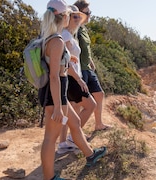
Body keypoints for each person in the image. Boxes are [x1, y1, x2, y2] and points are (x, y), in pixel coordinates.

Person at [39, 0, 106, 179]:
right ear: (65, 16)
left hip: (56, 92)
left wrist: (70, 61)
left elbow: (57, 66)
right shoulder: (57, 41)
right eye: (70, 14)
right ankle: (50, 177)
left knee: (75, 123)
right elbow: (54, 76)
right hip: (55, 93)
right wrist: (59, 108)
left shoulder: (49, 37)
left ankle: (90, 155)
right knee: (50, 138)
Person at [57, 4, 97, 154]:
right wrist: (79, 80)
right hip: (72, 78)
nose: (77, 19)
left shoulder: (68, 34)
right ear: (67, 17)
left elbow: (69, 57)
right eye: (74, 16)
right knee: (91, 105)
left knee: (70, 112)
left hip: (70, 78)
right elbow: (65, 61)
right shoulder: (66, 35)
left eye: (78, 17)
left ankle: (62, 144)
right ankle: (74, 139)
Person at [74, 0, 111, 131]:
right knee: (80, 103)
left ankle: (99, 124)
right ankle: (76, 133)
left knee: (99, 94)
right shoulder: (74, 30)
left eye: (90, 12)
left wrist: (90, 60)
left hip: (87, 68)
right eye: (88, 12)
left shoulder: (83, 29)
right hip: (79, 70)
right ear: (79, 13)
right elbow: (72, 50)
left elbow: (85, 48)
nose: (90, 15)